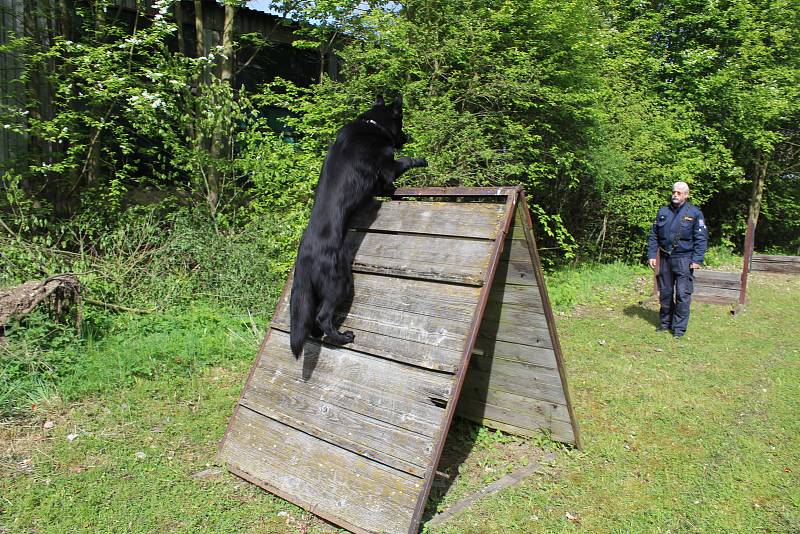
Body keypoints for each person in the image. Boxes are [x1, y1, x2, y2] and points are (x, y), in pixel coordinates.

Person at [647, 181, 708, 338]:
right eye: (674, 192)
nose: (675, 195)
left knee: (682, 294)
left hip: (684, 258)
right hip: (665, 258)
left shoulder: (694, 213)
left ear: (686, 195)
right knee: (666, 292)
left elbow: (701, 238)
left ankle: (679, 328)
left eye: (679, 193)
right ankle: (665, 323)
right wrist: (652, 255)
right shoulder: (663, 211)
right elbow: (654, 235)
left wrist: (697, 259)